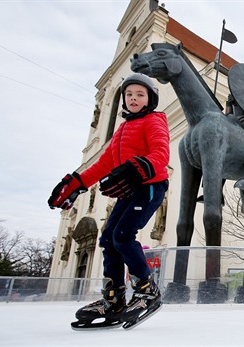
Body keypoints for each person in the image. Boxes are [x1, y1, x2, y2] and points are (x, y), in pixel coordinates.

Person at [48, 73, 170, 329]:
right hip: (130, 191)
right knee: (108, 240)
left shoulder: (154, 120)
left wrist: (139, 167)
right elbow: (104, 164)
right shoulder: (122, 129)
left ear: (150, 99)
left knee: (124, 235)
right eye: (129, 95)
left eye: (140, 94)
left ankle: (147, 289)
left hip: (150, 186)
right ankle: (114, 300)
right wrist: (77, 183)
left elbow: (160, 152)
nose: (133, 98)